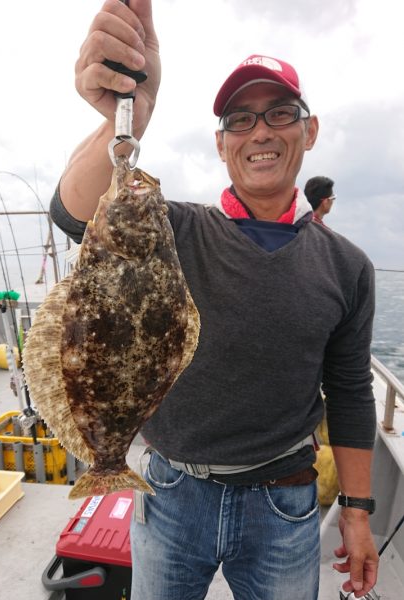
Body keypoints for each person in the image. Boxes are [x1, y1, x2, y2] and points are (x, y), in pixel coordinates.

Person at [49, 2, 379, 598]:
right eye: (239, 120)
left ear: (309, 130)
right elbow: (74, 212)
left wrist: (357, 510)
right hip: (170, 493)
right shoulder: (173, 229)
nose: (260, 132)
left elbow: (352, 393)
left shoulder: (348, 267)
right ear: (221, 142)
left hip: (285, 503)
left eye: (279, 114)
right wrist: (124, 125)